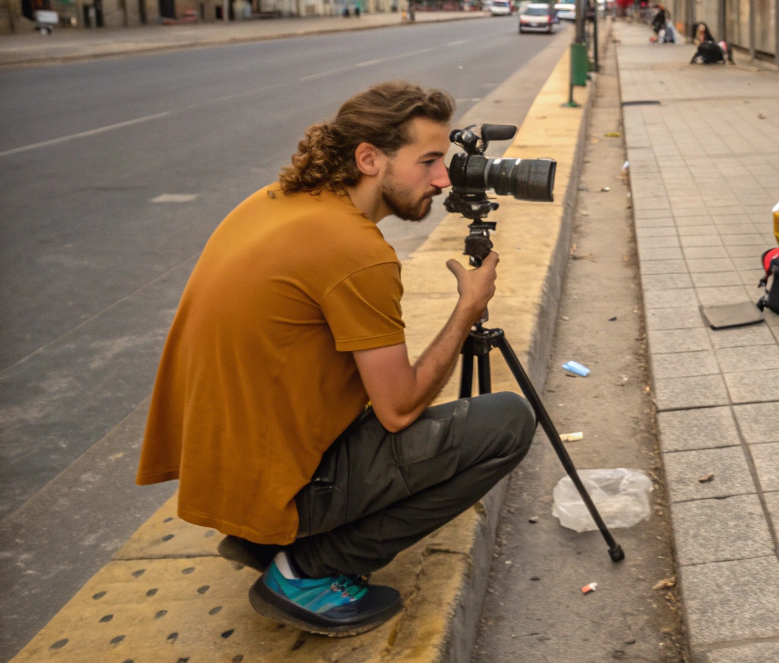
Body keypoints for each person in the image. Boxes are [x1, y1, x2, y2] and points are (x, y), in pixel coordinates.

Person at [137, 82, 535, 637]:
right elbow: (398, 409)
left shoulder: (273, 201)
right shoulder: (357, 252)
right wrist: (468, 309)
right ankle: (307, 570)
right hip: (279, 486)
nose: (443, 179)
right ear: (368, 159)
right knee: (507, 423)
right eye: (427, 161)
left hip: (225, 475)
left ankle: (266, 537)